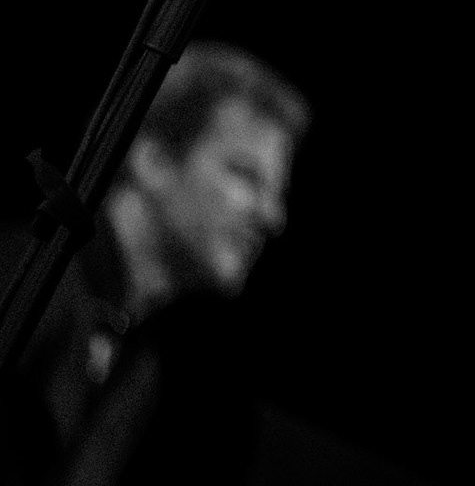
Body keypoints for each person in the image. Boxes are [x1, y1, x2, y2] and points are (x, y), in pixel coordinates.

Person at [0, 38, 307, 486]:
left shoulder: (142, 358)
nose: (272, 217)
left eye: (277, 193)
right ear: (154, 158)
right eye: (245, 175)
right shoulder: (23, 277)